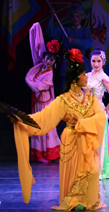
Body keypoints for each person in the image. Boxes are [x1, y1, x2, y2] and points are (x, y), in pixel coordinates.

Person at [9, 48, 107, 210]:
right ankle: (74, 201)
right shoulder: (63, 100)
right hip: (71, 141)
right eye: (83, 74)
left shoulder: (90, 97)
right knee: (73, 173)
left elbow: (101, 116)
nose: (86, 77)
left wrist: (82, 124)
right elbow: (43, 118)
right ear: (75, 79)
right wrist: (22, 120)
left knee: (93, 170)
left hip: (87, 139)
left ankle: (89, 201)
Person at [25, 23, 61, 162]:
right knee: (36, 124)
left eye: (51, 59)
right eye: (47, 58)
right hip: (37, 102)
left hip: (45, 103)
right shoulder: (39, 67)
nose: (48, 61)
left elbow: (37, 86)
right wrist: (35, 30)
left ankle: (48, 153)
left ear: (54, 62)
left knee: (44, 126)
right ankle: (38, 153)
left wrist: (31, 80)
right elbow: (35, 47)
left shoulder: (49, 74)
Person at [46, 4, 93, 91]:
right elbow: (50, 32)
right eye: (73, 16)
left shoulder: (85, 31)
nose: (75, 19)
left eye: (77, 16)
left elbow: (89, 43)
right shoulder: (65, 30)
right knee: (66, 90)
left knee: (83, 91)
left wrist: (73, 40)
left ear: (81, 17)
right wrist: (51, 17)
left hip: (81, 64)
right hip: (67, 64)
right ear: (70, 18)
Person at [87, 49, 109, 179]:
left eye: (98, 61)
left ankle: (100, 171)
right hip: (86, 112)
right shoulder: (87, 76)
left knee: (99, 142)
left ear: (103, 62)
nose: (96, 64)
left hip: (98, 112)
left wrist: (107, 109)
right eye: (93, 61)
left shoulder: (103, 77)